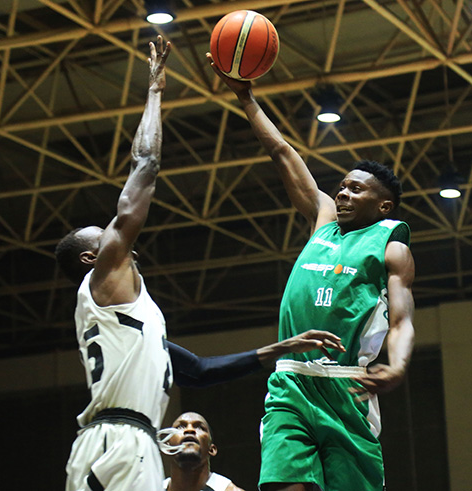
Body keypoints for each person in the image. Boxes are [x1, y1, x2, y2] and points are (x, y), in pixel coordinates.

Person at [56, 36, 346, 491]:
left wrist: (281, 348)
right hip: (120, 440)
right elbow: (145, 166)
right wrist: (154, 92)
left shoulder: (133, 326)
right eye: (105, 234)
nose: (118, 236)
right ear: (93, 256)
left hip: (121, 441)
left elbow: (202, 371)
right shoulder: (105, 277)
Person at [207, 54, 417, 491]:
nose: (341, 192)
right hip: (291, 381)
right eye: (341, 185)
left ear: (384, 207)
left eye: (355, 188)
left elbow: (402, 321)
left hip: (347, 388)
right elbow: (282, 153)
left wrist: (396, 366)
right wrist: (246, 98)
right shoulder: (322, 219)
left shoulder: (391, 247)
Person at [161, 412, 244, 491]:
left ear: (211, 449)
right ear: (168, 447)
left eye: (200, 427)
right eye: (180, 427)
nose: (189, 430)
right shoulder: (153, 487)